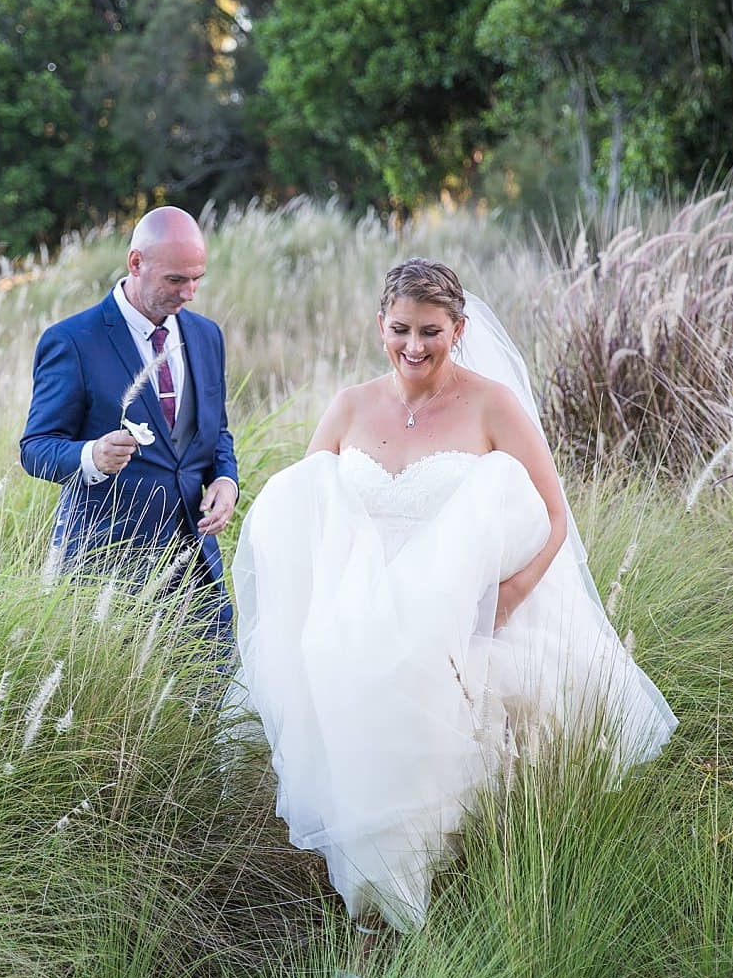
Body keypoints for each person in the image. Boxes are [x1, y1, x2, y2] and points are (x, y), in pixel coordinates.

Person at [227, 258, 675, 931]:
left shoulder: (493, 405)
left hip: (464, 617)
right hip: (365, 610)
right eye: (401, 328)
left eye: (431, 331)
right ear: (381, 325)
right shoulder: (349, 406)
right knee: (344, 700)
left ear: (458, 328)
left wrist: (506, 600)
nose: (414, 346)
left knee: (441, 740)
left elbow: (554, 517)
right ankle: (369, 919)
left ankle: (431, 917)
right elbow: (309, 511)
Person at [19, 207, 239, 643]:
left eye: (197, 278)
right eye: (176, 280)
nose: (189, 293)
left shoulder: (207, 335)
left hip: (197, 570)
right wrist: (91, 456)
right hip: (105, 575)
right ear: (136, 263)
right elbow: (35, 447)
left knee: (208, 699)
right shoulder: (72, 341)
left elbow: (216, 433)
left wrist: (227, 481)